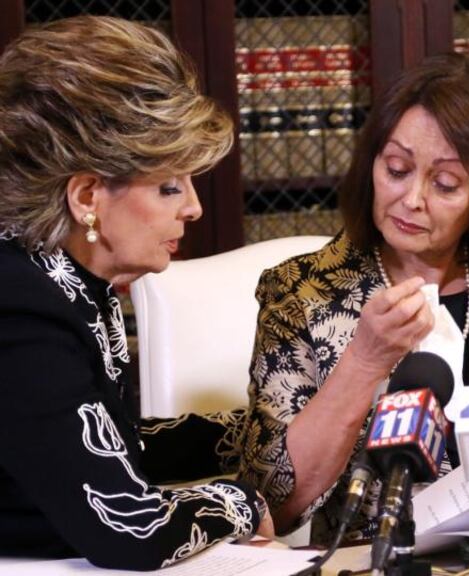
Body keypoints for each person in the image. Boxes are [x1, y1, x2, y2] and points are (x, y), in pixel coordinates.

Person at [238, 53, 469, 542]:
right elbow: (271, 500)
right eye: (397, 169)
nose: (412, 198)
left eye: (445, 184)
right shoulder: (299, 292)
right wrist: (363, 362)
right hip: (371, 559)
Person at [0, 16, 272, 569]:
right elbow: (129, 526)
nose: (193, 208)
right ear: (87, 196)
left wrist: (252, 433)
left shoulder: (64, 281)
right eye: (169, 186)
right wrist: (243, 502)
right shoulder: (20, 308)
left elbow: (109, 444)